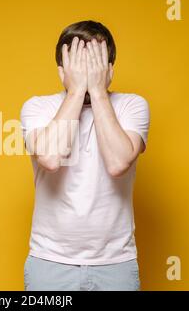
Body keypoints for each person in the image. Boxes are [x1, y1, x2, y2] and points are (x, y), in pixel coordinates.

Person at [20, 20, 150, 291]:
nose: (88, 71)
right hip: (50, 263)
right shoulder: (38, 108)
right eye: (79, 64)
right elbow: (51, 158)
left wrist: (98, 91)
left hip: (116, 264)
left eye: (95, 63)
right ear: (62, 71)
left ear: (109, 69)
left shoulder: (132, 106)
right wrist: (78, 90)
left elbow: (117, 163)